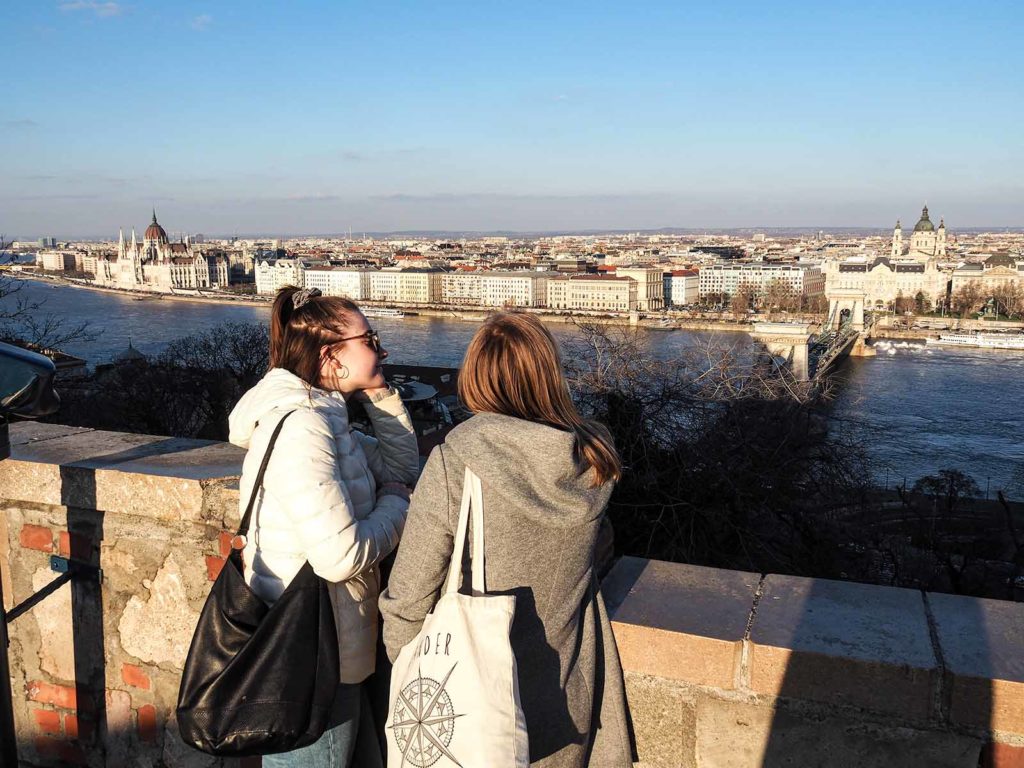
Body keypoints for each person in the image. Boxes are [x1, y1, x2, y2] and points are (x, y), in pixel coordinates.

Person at [379, 312, 634, 768]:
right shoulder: (593, 461)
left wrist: (411, 663)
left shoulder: (456, 462)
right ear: (549, 375)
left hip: (471, 700)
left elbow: (409, 594)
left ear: (476, 377)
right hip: (565, 695)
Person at [227, 286, 420, 768]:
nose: (382, 348)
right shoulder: (304, 428)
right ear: (331, 354)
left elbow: (402, 466)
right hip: (315, 653)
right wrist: (397, 505)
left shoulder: (328, 418)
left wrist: (378, 392)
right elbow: (339, 557)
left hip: (333, 640)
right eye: (370, 339)